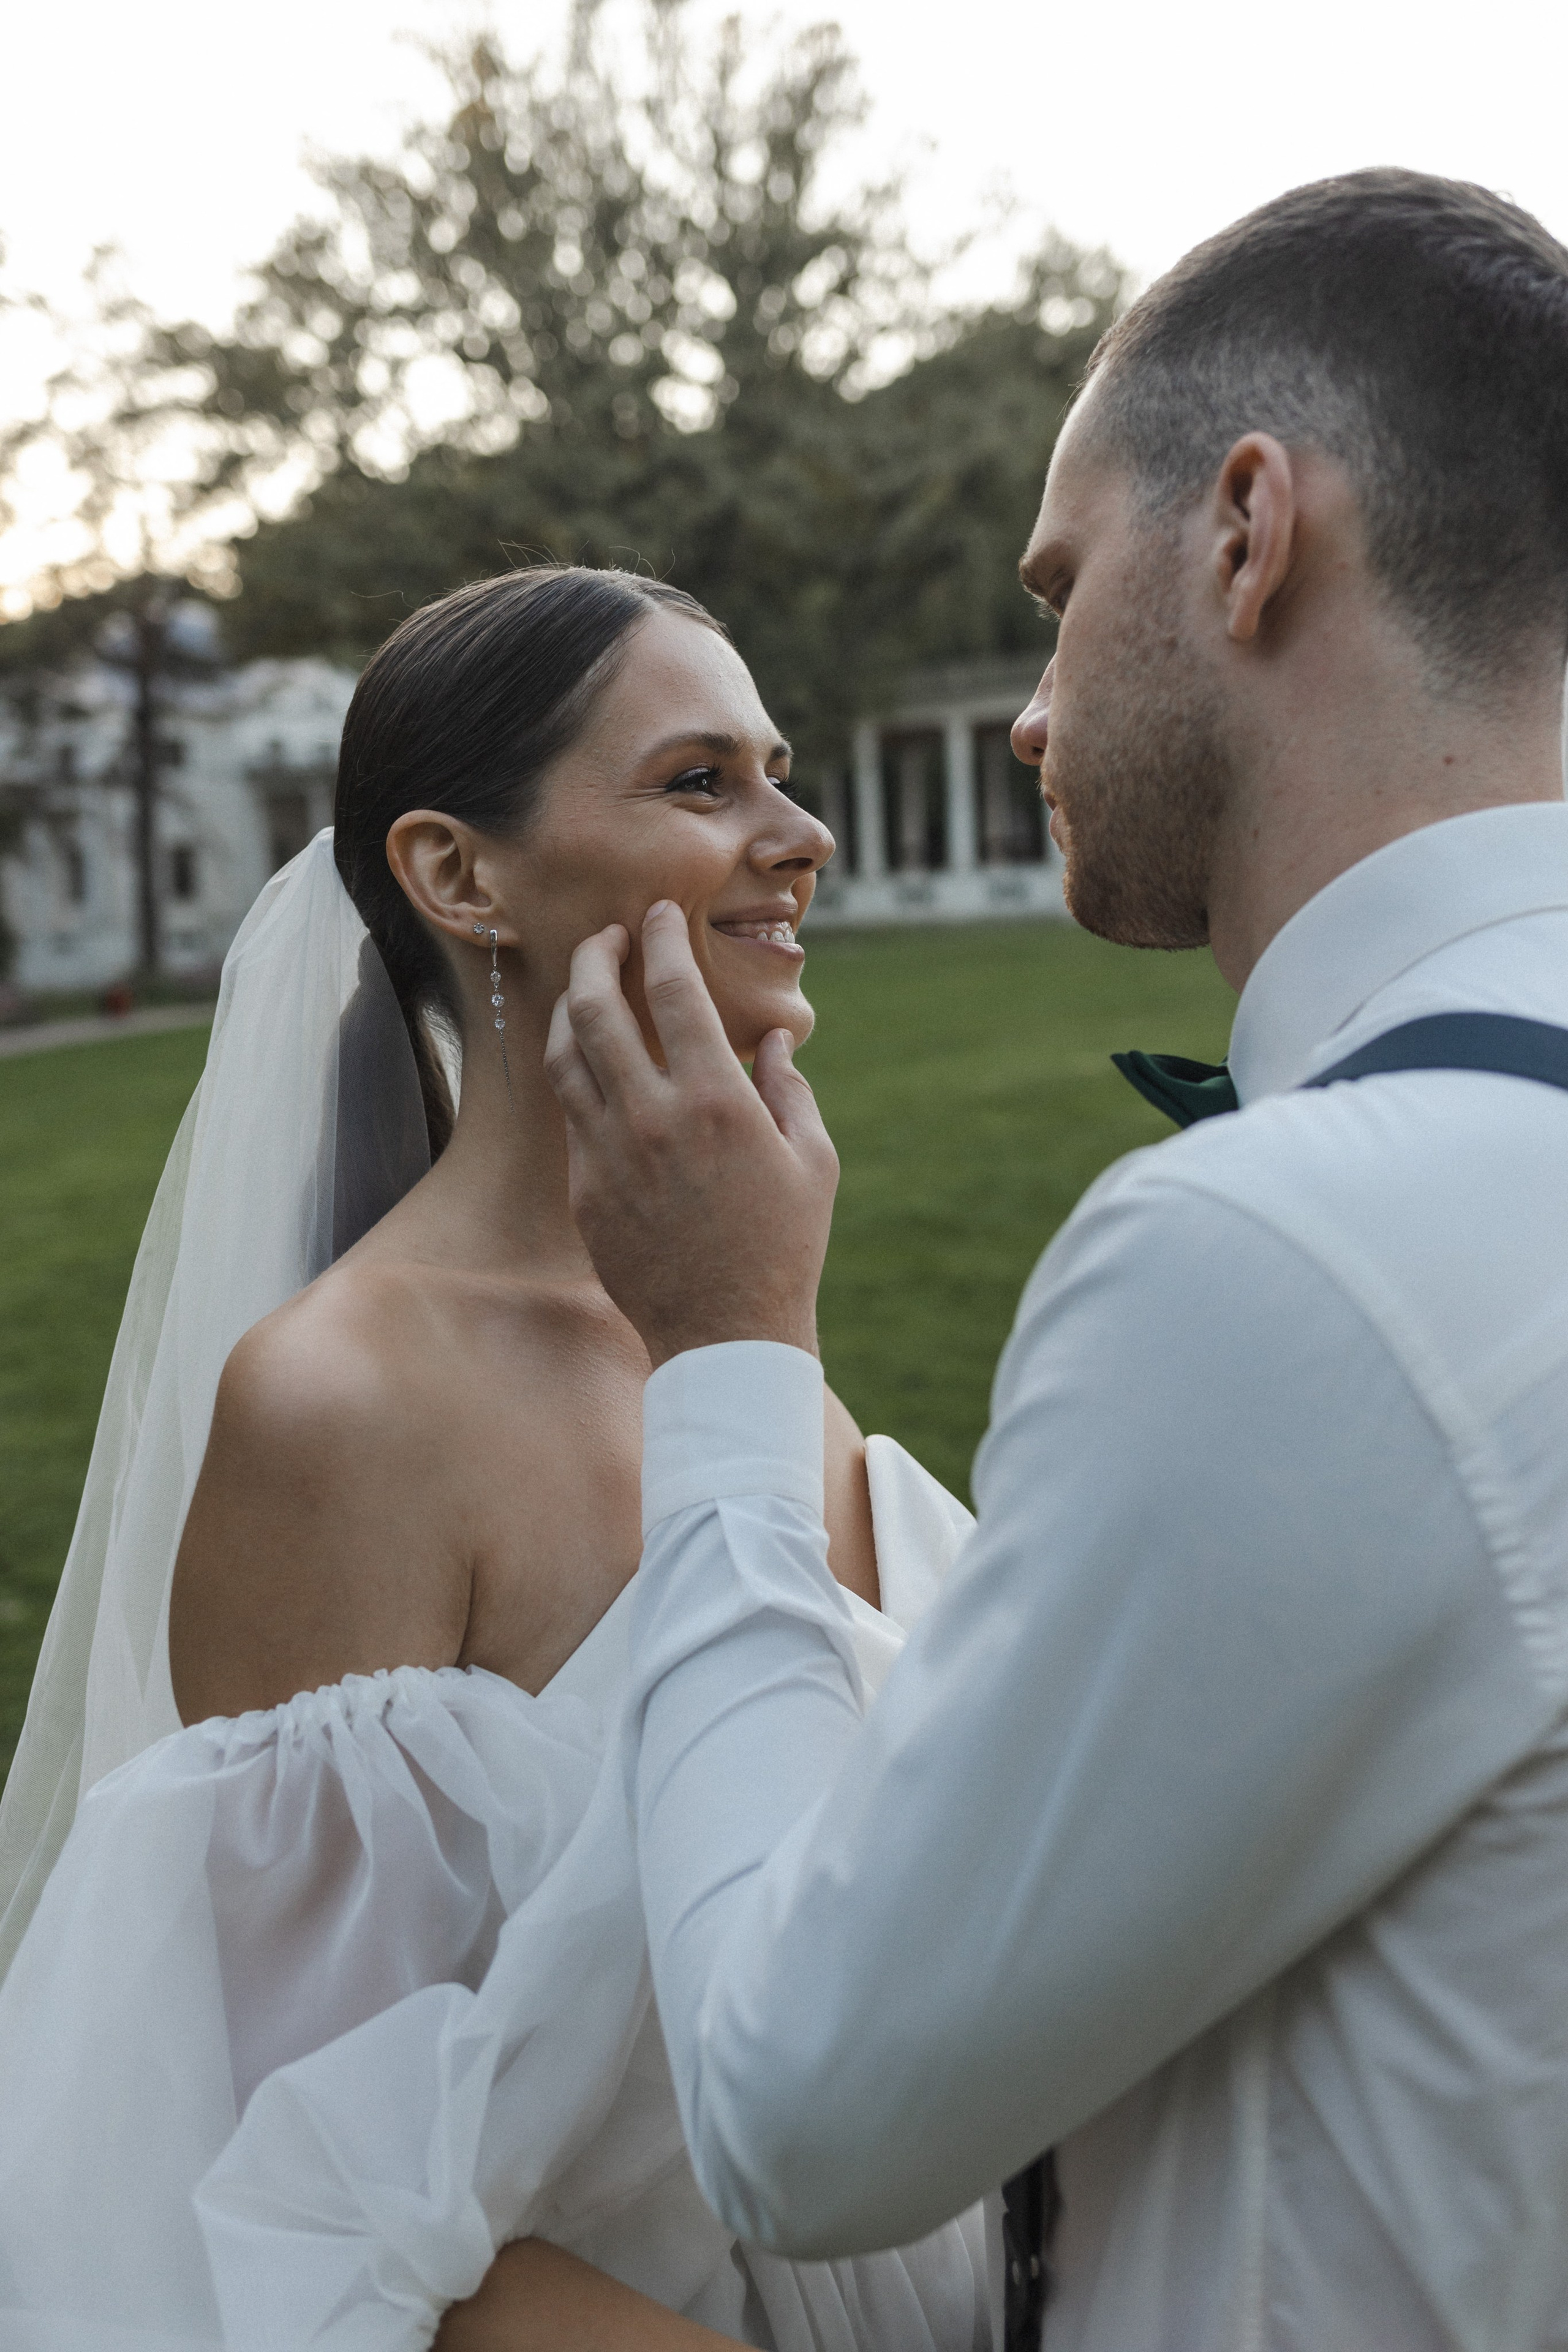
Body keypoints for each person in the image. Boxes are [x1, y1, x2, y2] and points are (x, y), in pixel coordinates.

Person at [543, 170, 1568, 2349]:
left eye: (1060, 585)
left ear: (1246, 530)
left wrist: (730, 1349)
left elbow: (796, 2121)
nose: (1029, 708)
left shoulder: (1290, 1258)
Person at [0, 567, 993, 2351]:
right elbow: (316, 2208)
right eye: (703, 783)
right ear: (462, 878)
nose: (803, 834)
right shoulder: (348, 1410)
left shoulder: (758, 1349)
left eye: (777, 771)